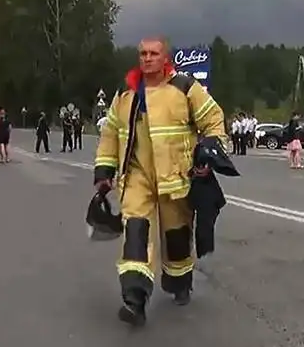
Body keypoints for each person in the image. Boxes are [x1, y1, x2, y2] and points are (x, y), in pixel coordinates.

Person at [93, 36, 228, 327]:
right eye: (142, 53)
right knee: (136, 232)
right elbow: (110, 134)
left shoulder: (184, 87)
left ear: (165, 57)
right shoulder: (126, 93)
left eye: (153, 53)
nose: (147, 58)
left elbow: (213, 119)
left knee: (176, 235)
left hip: (176, 177)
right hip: (137, 175)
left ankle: (180, 282)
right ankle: (134, 298)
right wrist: (104, 171)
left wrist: (209, 149)